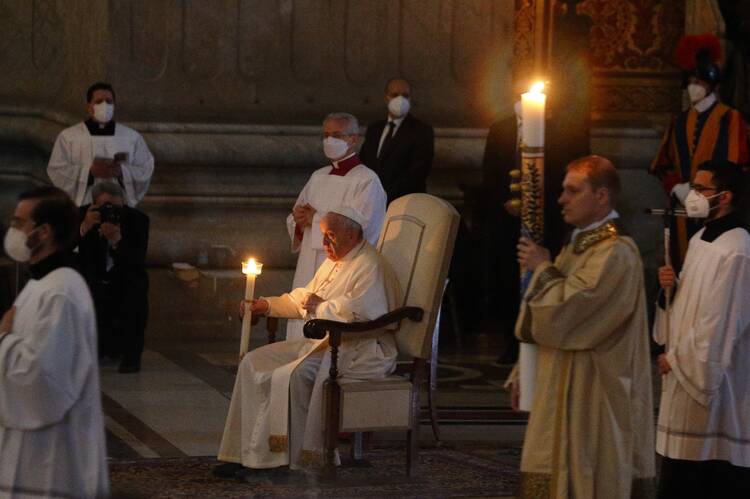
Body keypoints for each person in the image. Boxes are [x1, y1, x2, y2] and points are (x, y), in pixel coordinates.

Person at [215, 208, 400, 478]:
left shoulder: (370, 265)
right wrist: (266, 306)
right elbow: (304, 299)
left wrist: (322, 307)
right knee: (253, 362)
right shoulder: (336, 260)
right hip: (325, 343)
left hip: (358, 348)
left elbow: (362, 316)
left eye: (330, 236)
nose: (324, 243)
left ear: (352, 233)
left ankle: (293, 457)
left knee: (295, 374)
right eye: (324, 235)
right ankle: (243, 452)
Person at [512, 156, 655, 498]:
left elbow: (572, 310)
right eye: (563, 190)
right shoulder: (577, 246)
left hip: (596, 390)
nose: (562, 199)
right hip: (561, 381)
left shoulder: (617, 253)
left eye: (573, 191)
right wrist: (523, 370)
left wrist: (543, 268)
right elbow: (547, 316)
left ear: (602, 196)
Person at [0, 186, 109, 498]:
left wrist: (4, 340)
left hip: (52, 454)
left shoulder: (61, 292)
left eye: (19, 222)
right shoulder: (43, 284)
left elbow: (43, 380)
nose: (13, 230)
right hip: (31, 445)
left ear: (44, 231)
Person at [653, 160, 750, 498]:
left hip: (713, 385)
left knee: (706, 475)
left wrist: (677, 360)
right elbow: (691, 305)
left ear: (725, 197)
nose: (692, 195)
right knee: (679, 471)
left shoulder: (738, 248)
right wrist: (669, 291)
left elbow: (720, 324)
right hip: (682, 372)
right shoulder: (699, 239)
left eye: (701, 188)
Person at [285, 112, 386, 341]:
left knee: (327, 322)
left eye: (337, 135)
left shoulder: (367, 181)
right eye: (326, 135)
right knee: (301, 313)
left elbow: (364, 227)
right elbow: (296, 215)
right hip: (309, 261)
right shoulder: (318, 176)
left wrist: (316, 217)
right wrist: (299, 220)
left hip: (340, 266)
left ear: (353, 139)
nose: (330, 140)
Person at [650, 34, 749, 261]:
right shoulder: (679, 121)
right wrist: (677, 187)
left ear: (711, 83)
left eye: (699, 82)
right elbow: (662, 163)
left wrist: (712, 194)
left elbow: (738, 165)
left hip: (718, 207)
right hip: (683, 210)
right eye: (690, 82)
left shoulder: (731, 119)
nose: (693, 88)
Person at [76, 181, 149, 373]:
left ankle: (131, 357)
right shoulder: (79, 216)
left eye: (117, 207)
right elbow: (68, 254)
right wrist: (84, 228)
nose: (112, 213)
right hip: (92, 275)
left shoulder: (137, 220)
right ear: (93, 205)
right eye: (106, 207)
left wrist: (117, 241)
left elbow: (136, 260)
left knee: (136, 286)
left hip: (123, 276)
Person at [48, 81, 155, 207]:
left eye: (109, 102)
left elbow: (145, 168)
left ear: (114, 105)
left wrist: (122, 172)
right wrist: (89, 173)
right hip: (83, 206)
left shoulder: (131, 137)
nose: (104, 105)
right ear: (89, 107)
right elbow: (57, 170)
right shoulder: (69, 137)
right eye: (98, 102)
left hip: (119, 205)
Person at [359, 77, 434, 204]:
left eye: (405, 95)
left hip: (404, 203)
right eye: (394, 95)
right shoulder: (374, 129)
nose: (400, 99)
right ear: (386, 97)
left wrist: (383, 194)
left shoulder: (421, 131)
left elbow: (417, 172)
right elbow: (364, 162)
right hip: (371, 201)